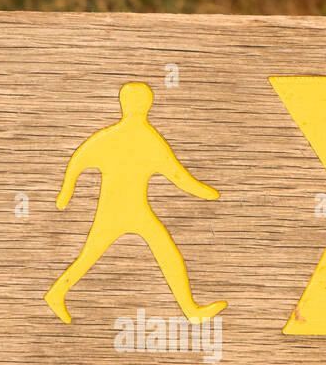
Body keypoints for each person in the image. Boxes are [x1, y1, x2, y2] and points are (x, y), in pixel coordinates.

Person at [45, 82, 227, 324]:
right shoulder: (148, 139)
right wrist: (206, 193)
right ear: (148, 105)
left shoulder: (110, 137)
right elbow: (179, 177)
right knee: (159, 254)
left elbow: (78, 161)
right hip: (123, 213)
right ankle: (56, 293)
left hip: (125, 212)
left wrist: (65, 194)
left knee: (163, 253)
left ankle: (191, 311)